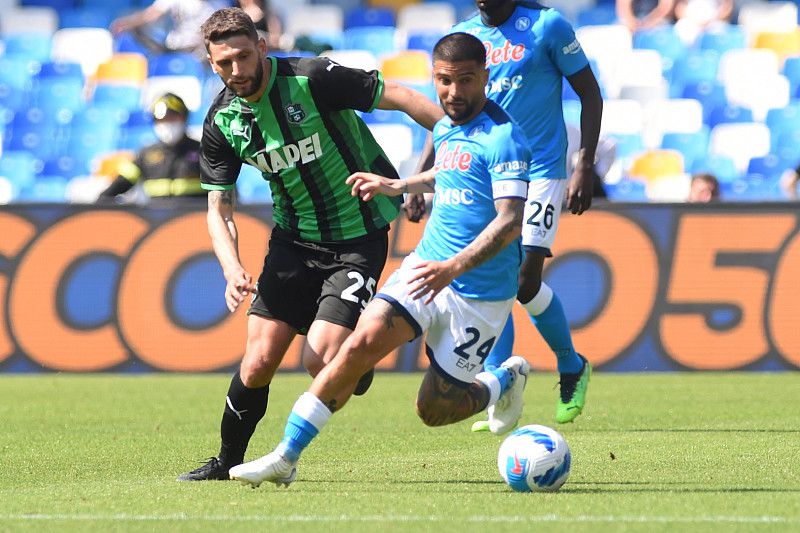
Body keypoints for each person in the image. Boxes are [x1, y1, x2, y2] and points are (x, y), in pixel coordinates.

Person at [228, 31, 533, 488]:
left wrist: (453, 270)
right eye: (444, 81)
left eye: (466, 81)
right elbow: (453, 169)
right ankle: (285, 457)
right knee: (356, 346)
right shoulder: (448, 126)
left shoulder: (506, 139)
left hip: (479, 293)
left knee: (434, 410)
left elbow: (509, 222)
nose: (453, 93)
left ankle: (501, 382)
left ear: (486, 77)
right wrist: (400, 185)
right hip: (424, 267)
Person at [176, 7, 443, 481]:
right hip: (292, 242)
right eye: (223, 64)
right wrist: (231, 267)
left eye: (242, 56)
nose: (236, 70)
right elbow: (219, 209)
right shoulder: (222, 122)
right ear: (211, 64)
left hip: (357, 237)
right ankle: (226, 462)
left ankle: (353, 361)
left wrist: (458, 142)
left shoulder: (313, 77)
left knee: (318, 360)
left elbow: (398, 95)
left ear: (261, 46)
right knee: (257, 362)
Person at [408, 0, 603, 428]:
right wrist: (423, 172)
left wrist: (584, 163)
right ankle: (500, 382)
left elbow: (589, 91)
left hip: (541, 170)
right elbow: (449, 117)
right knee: (492, 280)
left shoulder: (548, 26)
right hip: (482, 173)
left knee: (525, 280)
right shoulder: (464, 35)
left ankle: (570, 365)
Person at [97, 93, 205, 204]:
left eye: (171, 118)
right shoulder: (145, 154)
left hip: (194, 218)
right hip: (156, 219)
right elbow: (122, 182)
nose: (166, 124)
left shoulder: (204, 151)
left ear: (184, 118)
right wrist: (100, 201)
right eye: (161, 120)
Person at [110, 0, 216, 57]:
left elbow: (150, 15)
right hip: (175, 45)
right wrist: (126, 23)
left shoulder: (213, 7)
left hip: (190, 48)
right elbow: (151, 15)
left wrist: (124, 23)